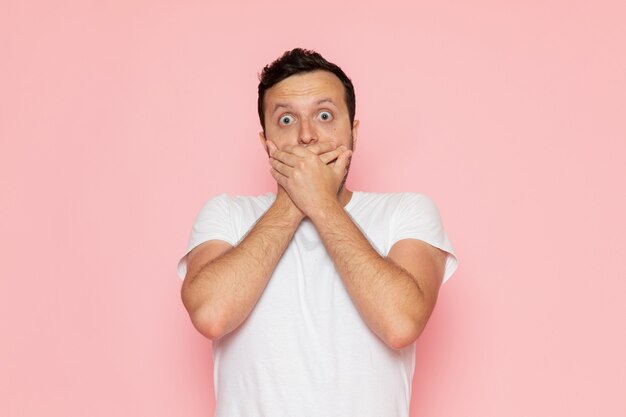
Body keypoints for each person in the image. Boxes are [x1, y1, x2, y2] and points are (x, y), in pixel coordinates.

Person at [177, 48, 459, 417]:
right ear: (266, 143)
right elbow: (211, 315)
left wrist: (320, 202)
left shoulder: (406, 212)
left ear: (353, 134)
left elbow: (400, 323)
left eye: (324, 115)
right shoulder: (227, 214)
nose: (307, 135)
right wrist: (296, 198)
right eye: (287, 120)